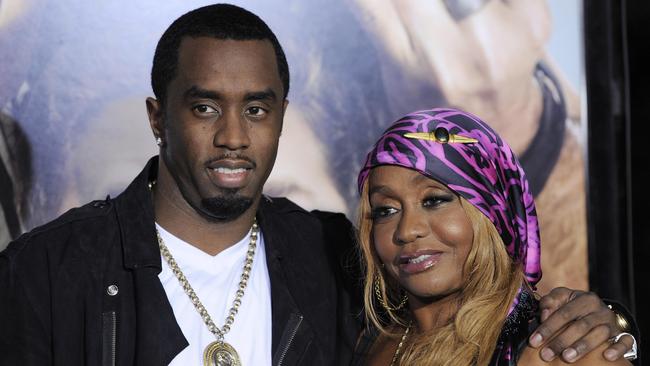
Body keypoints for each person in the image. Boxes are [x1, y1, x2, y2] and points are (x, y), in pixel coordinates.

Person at [0, 4, 637, 366]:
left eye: (257, 108)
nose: (232, 136)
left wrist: (589, 321)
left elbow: (476, 294)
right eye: (201, 108)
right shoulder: (41, 275)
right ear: (156, 119)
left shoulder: (335, 264)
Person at [352, 108, 635, 365]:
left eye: (434, 200)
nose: (406, 230)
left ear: (495, 212)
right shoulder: (372, 340)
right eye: (386, 210)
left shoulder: (559, 351)